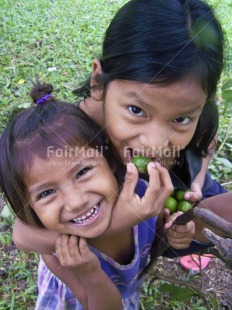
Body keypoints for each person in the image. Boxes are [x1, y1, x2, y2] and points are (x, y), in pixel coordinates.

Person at [0, 81, 197, 309]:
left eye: (83, 172)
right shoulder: (61, 255)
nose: (76, 201)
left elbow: (155, 235)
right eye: (47, 192)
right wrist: (89, 272)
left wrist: (172, 232)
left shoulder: (144, 196)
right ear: (29, 207)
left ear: (109, 161)